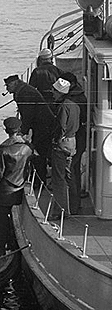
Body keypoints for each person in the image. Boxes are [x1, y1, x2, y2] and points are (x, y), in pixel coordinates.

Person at [0, 117, 32, 256]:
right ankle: (13, 245)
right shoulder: (28, 148)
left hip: (5, 190)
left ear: (6, 130)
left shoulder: (4, 149)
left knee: (1, 220)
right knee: (15, 219)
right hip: (19, 188)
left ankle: (0, 249)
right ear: (19, 130)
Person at [4, 74, 55, 184]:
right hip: (40, 125)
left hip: (43, 126)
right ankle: (39, 177)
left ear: (15, 83)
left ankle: (39, 180)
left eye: (8, 86)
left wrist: (22, 132)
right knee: (39, 151)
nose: (7, 89)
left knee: (39, 152)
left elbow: (28, 115)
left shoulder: (25, 93)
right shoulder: (23, 90)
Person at [49, 77, 80, 217]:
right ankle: (74, 207)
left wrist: (55, 141)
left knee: (59, 178)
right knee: (69, 176)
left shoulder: (63, 107)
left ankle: (60, 212)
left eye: (54, 91)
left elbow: (61, 127)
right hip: (72, 142)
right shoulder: (75, 105)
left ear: (60, 93)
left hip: (62, 144)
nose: (52, 93)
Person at [60, 71, 87, 213]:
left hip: (75, 139)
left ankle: (73, 205)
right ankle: (75, 204)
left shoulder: (71, 101)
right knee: (73, 170)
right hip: (79, 138)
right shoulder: (79, 96)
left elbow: (66, 125)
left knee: (70, 171)